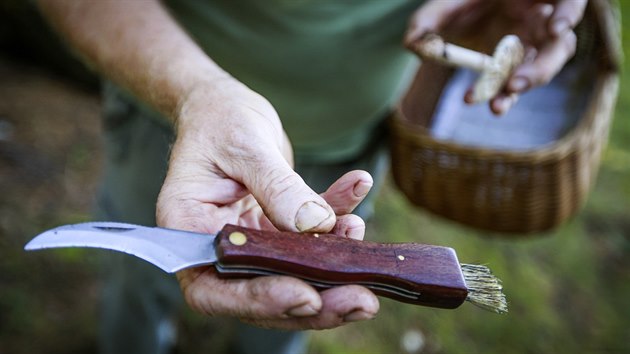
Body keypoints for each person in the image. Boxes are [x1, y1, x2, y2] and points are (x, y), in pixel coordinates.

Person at [37, 0, 587, 353]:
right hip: (185, 142)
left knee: (303, 299)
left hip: (354, 142)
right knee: (138, 288)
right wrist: (195, 92)